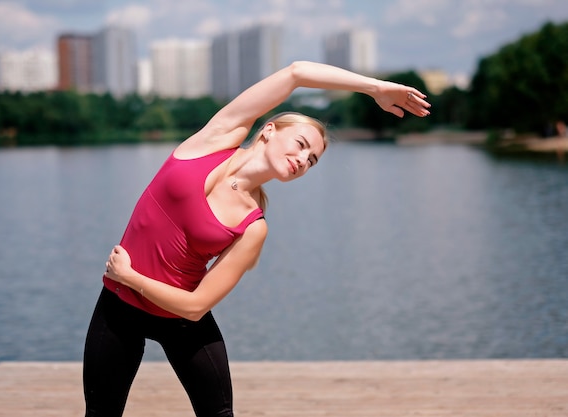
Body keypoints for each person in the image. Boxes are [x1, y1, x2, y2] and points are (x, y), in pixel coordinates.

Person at [83, 60, 431, 417]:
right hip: (119, 308)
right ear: (268, 130)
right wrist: (374, 87)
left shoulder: (253, 226)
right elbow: (296, 73)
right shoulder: (214, 139)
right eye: (299, 144)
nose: (302, 159)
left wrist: (131, 277)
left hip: (177, 318)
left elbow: (195, 305)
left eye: (311, 160)